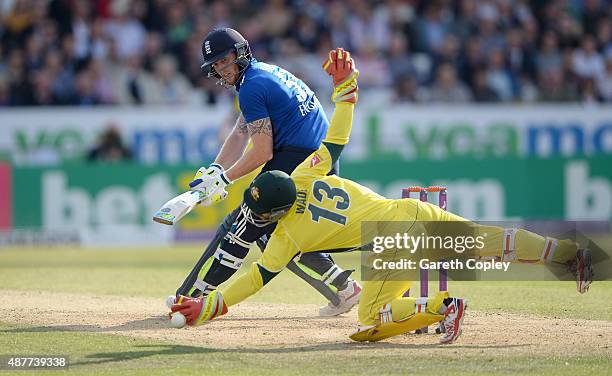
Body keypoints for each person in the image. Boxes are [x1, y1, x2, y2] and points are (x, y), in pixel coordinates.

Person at [170, 49, 594, 344]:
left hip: (394, 242)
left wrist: (208, 308)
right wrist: (346, 85)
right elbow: (338, 134)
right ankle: (570, 254)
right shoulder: (306, 169)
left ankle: (444, 305)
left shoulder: (288, 238)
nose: (260, 221)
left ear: (274, 212)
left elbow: (253, 279)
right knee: (492, 242)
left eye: (262, 216)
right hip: (412, 209)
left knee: (369, 324)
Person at [169, 28, 361, 317]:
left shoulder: (252, 86)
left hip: (297, 161)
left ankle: (190, 298)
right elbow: (240, 132)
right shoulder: (262, 74)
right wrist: (216, 168)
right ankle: (344, 288)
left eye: (225, 60)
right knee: (279, 234)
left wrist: (224, 179)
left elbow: (261, 153)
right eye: (216, 65)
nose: (222, 69)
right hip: (317, 157)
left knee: (239, 226)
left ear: (240, 53)